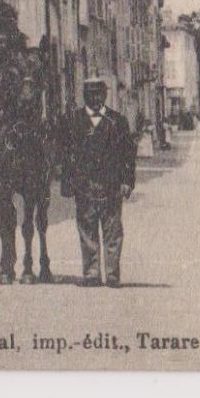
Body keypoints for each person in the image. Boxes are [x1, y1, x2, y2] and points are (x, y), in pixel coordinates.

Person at [60, 77, 136, 287]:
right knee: (87, 230)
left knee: (113, 231)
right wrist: (68, 183)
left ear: (105, 95)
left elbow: (128, 154)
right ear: (84, 96)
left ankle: (112, 274)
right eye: (90, 94)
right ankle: (91, 273)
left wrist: (127, 181)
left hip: (111, 186)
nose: (95, 98)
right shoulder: (73, 121)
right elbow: (67, 154)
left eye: (98, 93)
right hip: (84, 187)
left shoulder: (117, 121)